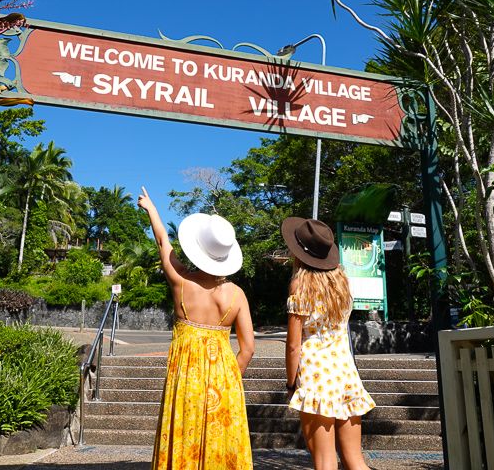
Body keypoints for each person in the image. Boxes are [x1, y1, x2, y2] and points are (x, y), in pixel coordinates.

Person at [138, 187, 255, 470]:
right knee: (220, 445)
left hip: (186, 380)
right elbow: (248, 349)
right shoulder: (237, 295)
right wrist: (229, 380)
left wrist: (152, 209)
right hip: (224, 381)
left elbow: (163, 241)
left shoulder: (181, 282)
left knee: (184, 438)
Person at [282, 216, 376, 470]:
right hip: (345, 373)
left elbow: (293, 345)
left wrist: (291, 383)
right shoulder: (342, 283)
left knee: (324, 461)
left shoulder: (300, 285)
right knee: (355, 460)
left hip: (316, 376)